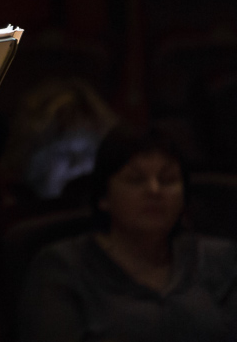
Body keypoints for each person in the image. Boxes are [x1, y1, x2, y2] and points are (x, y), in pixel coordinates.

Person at [16, 124, 237, 342]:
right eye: (135, 180)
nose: (154, 190)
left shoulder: (218, 258)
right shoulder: (62, 267)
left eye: (168, 180)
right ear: (103, 196)